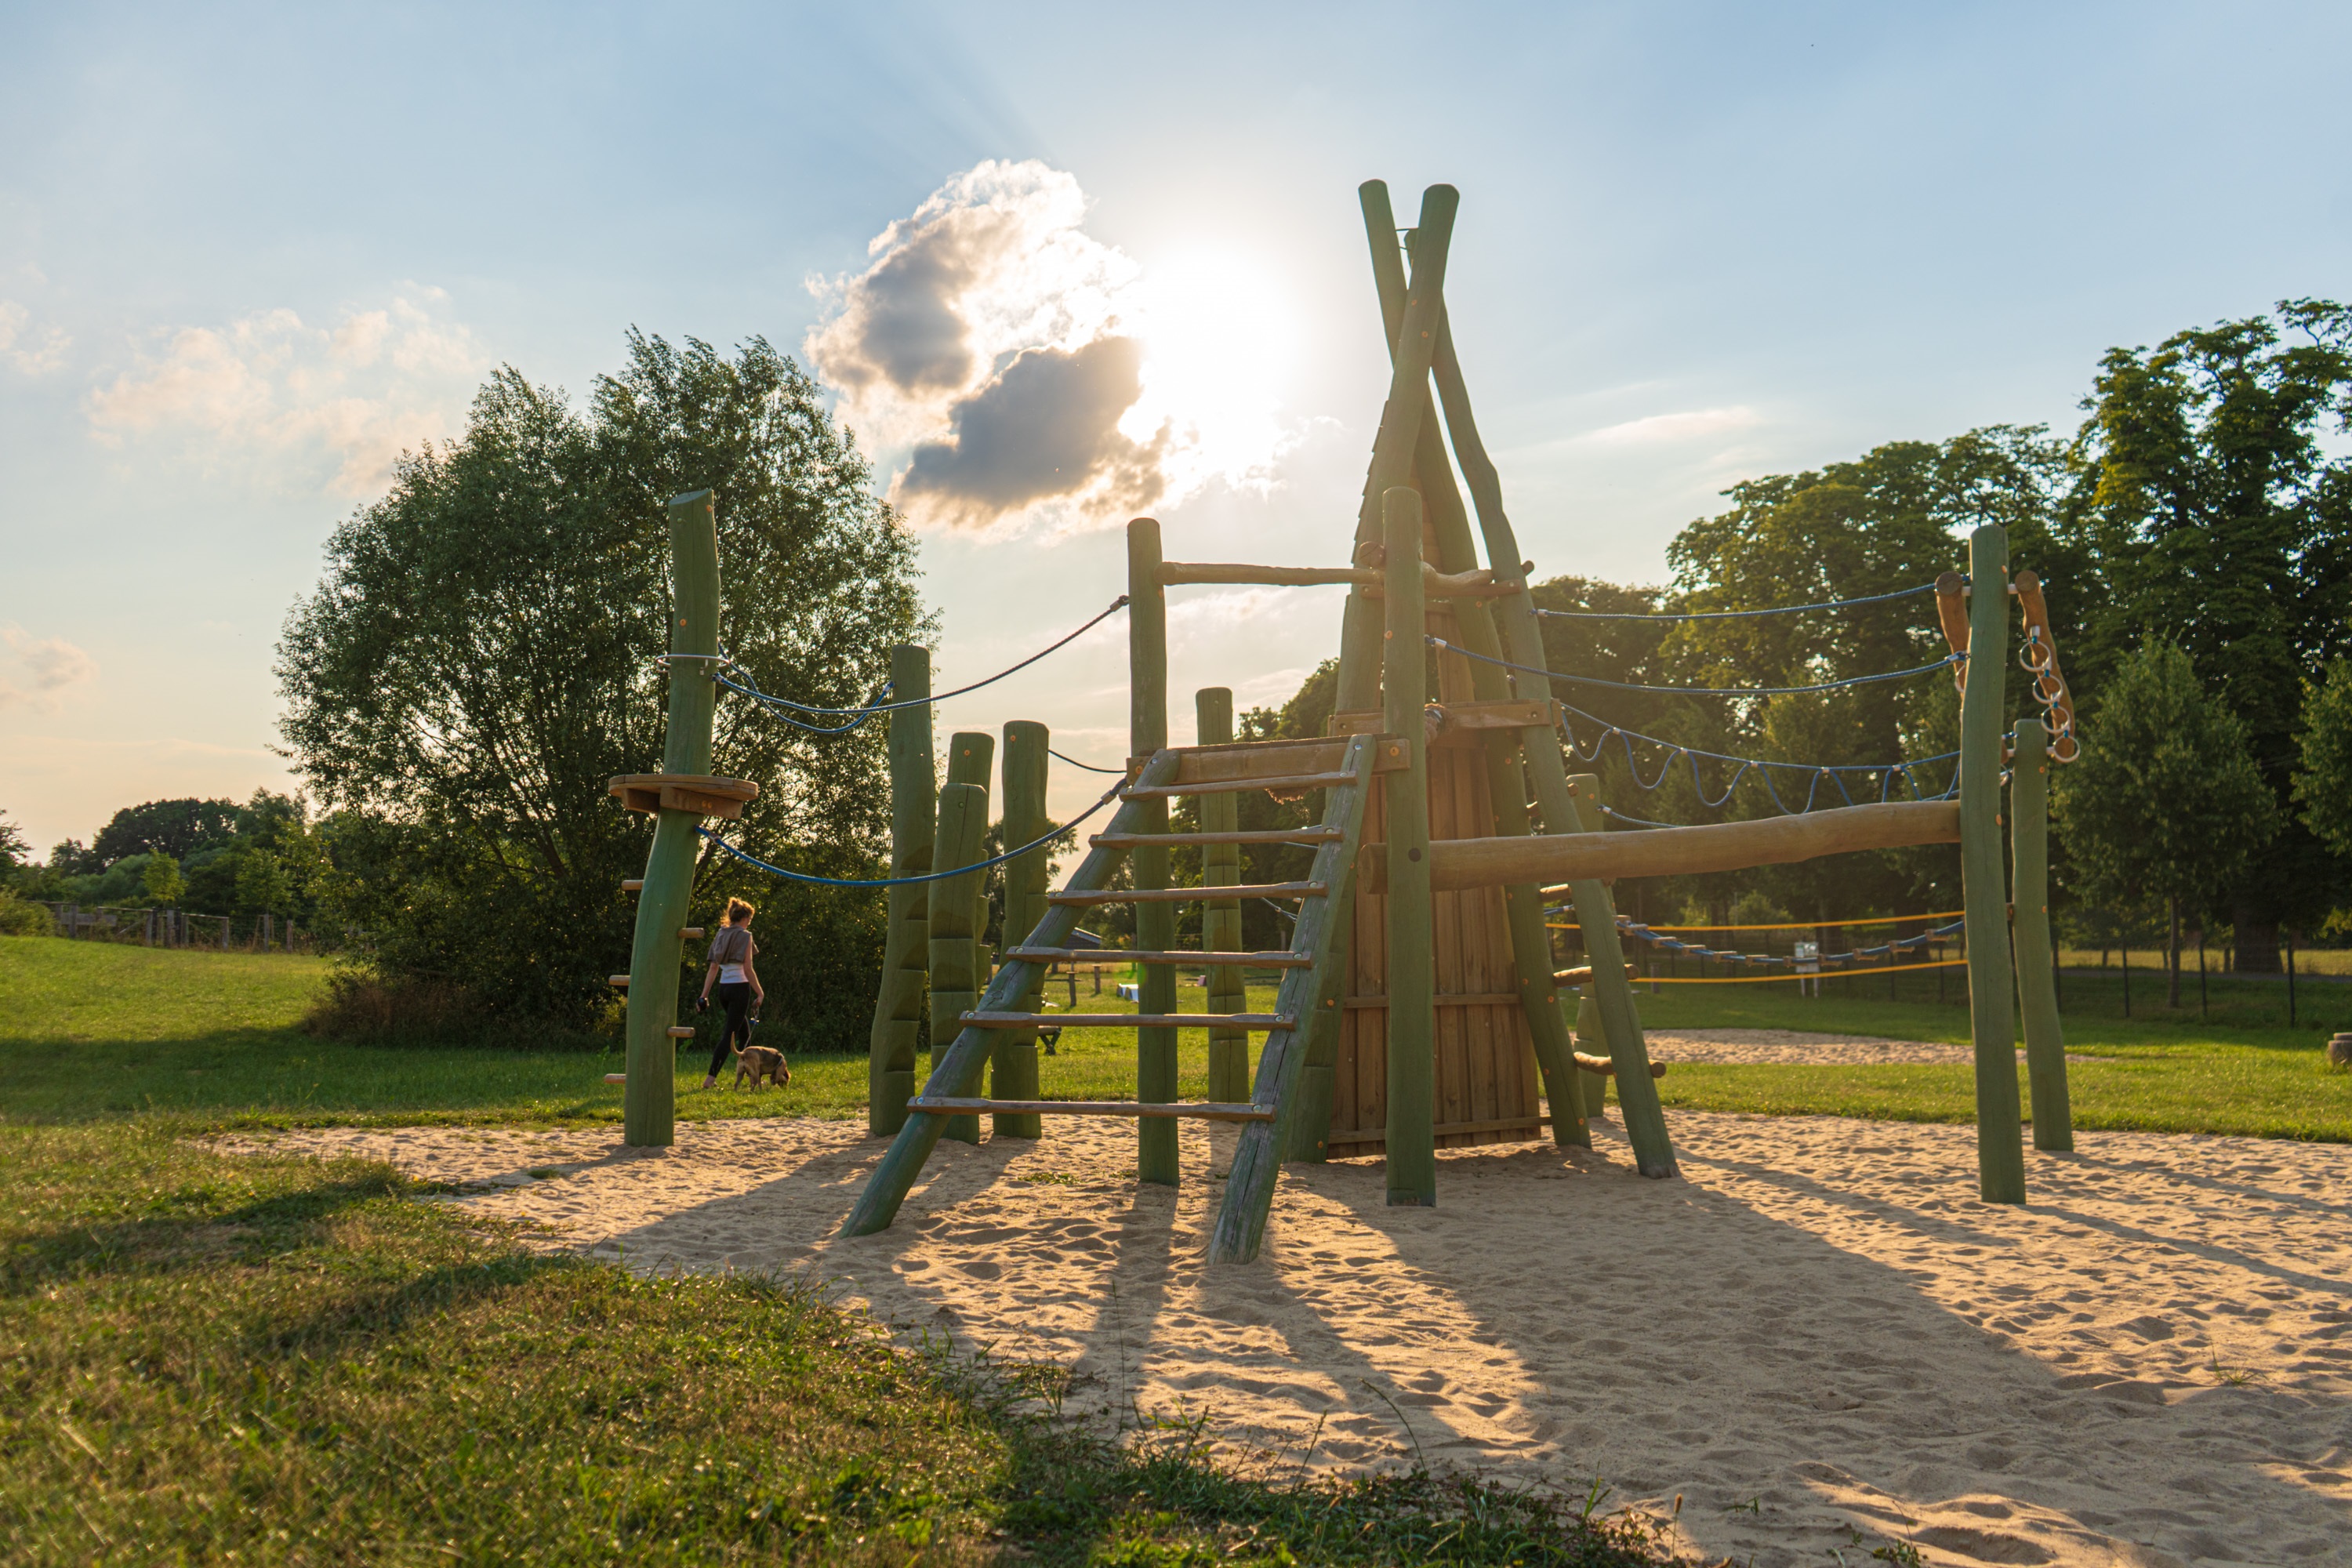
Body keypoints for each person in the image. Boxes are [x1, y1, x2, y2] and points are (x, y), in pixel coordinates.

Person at [697, 897, 772, 1090]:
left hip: (724, 989)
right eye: (750, 919)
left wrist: (704, 996)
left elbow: (713, 967)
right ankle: (710, 1079)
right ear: (745, 917)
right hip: (739, 988)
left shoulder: (721, 934)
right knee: (728, 1036)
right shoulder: (746, 936)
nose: (749, 923)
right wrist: (760, 993)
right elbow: (748, 969)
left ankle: (751, 1076)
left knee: (744, 1032)